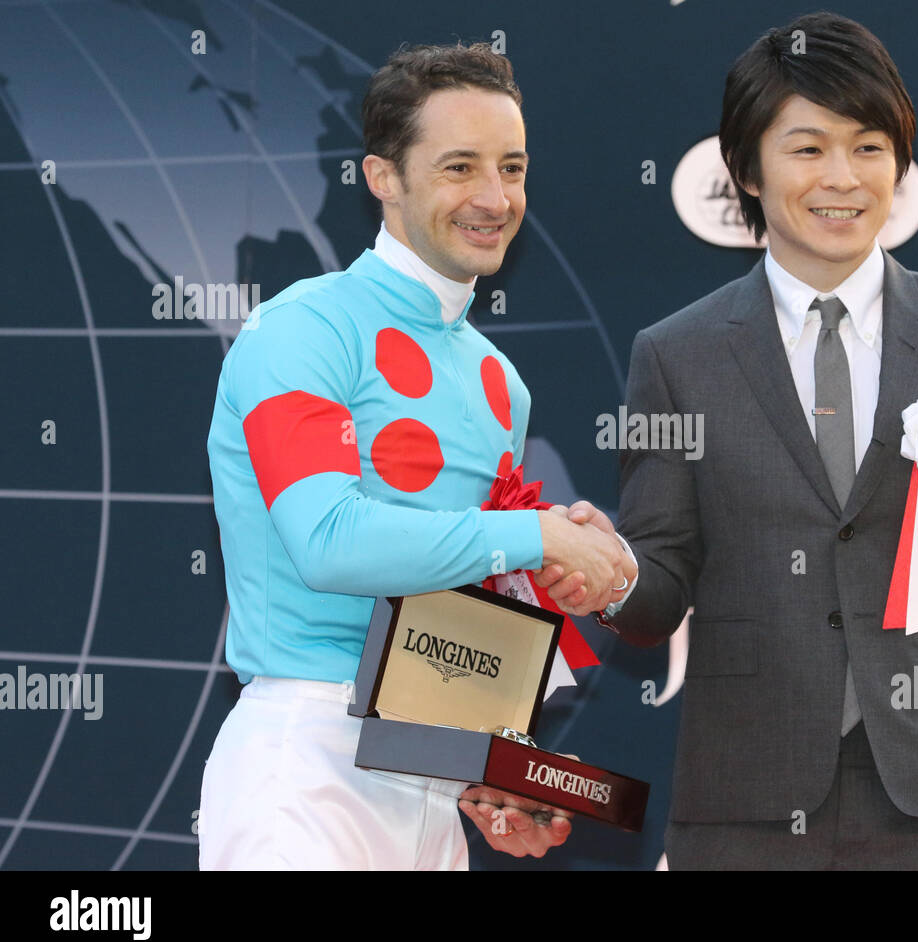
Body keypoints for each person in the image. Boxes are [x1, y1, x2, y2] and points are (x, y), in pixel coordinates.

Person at [538, 12, 918, 870]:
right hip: (745, 810)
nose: (842, 177)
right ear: (746, 170)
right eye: (808, 148)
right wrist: (605, 571)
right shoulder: (676, 355)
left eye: (868, 147)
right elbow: (660, 588)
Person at [200, 42, 630, 869]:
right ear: (383, 177)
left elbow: (449, 615)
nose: (494, 198)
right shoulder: (303, 327)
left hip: (427, 785)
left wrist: (497, 778)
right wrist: (539, 535)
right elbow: (328, 541)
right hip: (302, 767)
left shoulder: (500, 380)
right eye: (460, 166)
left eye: (511, 167)